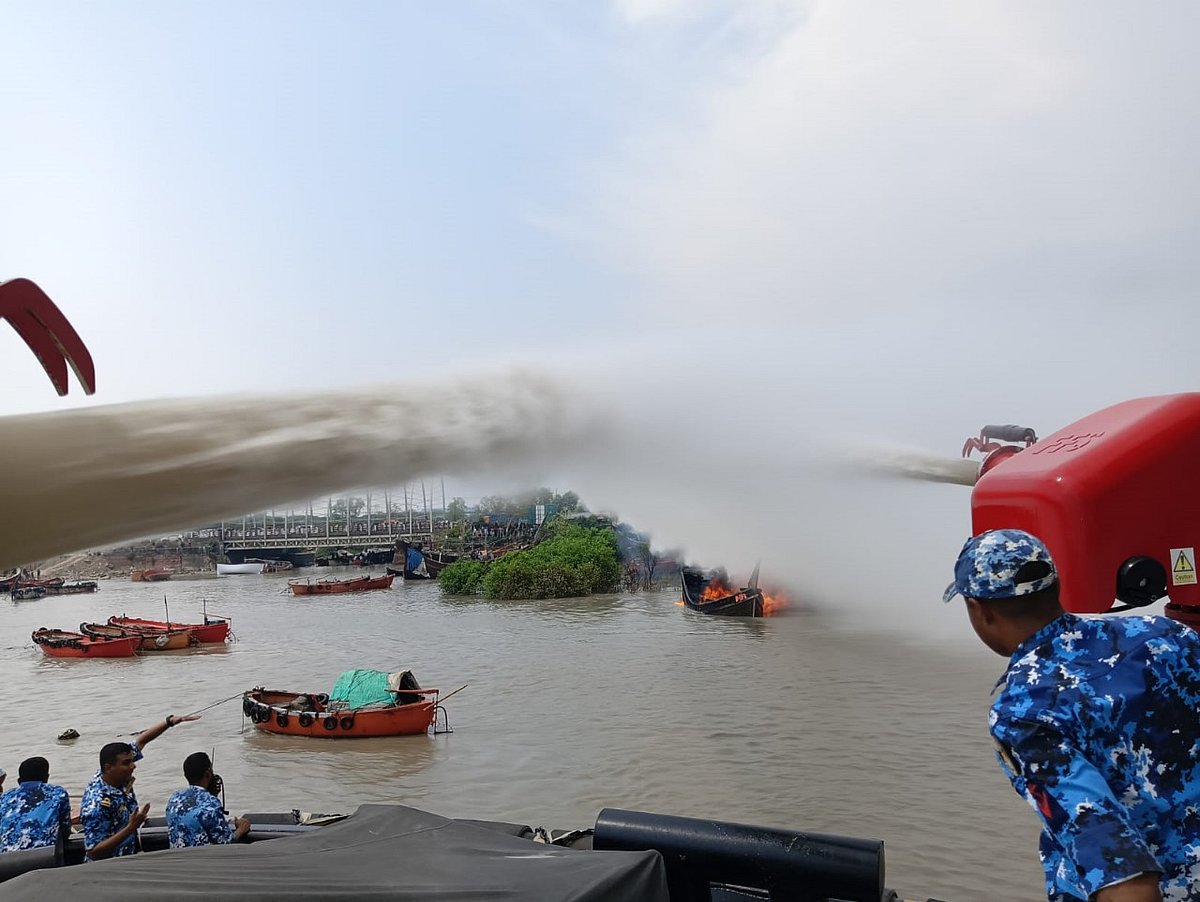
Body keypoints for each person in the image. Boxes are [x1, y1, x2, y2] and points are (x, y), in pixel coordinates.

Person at [944, 528, 1200, 902]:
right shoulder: (1164, 634)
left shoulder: (1025, 708)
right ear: (1055, 587)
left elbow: (1124, 878)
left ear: (977, 609)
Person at [79, 713, 199, 860]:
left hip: (129, 856)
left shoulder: (114, 773)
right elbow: (93, 851)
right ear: (109, 767)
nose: (133, 765)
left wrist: (169, 722)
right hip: (109, 867)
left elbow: (141, 741)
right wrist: (131, 827)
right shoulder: (96, 803)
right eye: (127, 763)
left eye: (132, 760)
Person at [165, 752, 250, 848]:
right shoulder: (211, 803)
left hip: (177, 859)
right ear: (208, 774)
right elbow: (225, 842)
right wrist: (241, 829)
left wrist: (212, 795)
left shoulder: (174, 798)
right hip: (202, 860)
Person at [0, 757, 70, 852]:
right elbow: (66, 829)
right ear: (47, 777)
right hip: (46, 856)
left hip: (6, 858)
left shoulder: (5, 797)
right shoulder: (58, 792)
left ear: (19, 780)